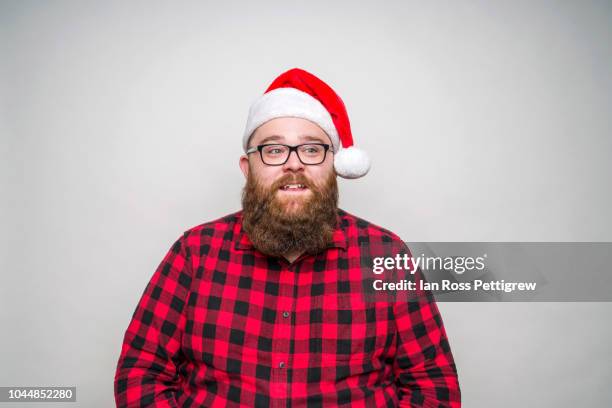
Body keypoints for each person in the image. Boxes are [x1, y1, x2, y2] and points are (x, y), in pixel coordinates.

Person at [114, 68, 461, 407]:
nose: (294, 164)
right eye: (274, 150)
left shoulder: (386, 256)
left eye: (311, 150)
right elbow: (140, 375)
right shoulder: (195, 252)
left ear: (334, 167)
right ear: (247, 169)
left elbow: (434, 390)